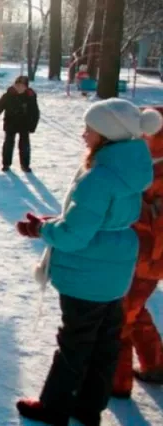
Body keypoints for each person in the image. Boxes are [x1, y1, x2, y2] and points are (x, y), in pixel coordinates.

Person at [15, 99, 160, 426]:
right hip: (115, 268)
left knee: (75, 342)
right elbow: (101, 219)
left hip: (88, 271)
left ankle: (54, 408)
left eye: (90, 129)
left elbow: (73, 236)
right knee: (104, 343)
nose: (83, 134)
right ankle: (88, 406)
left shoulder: (100, 177)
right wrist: (58, 221)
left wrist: (42, 228)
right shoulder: (131, 168)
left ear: (107, 134)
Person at [112, 106, 163, 398]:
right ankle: (156, 363)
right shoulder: (146, 164)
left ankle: (116, 380)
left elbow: (150, 220)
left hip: (146, 257)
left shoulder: (156, 173)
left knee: (120, 317)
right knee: (135, 309)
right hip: (143, 256)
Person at [0, 75, 40, 172]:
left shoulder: (30, 96)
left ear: (26, 87)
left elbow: (35, 112)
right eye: (17, 85)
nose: (19, 88)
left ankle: (25, 165)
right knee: (8, 144)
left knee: (24, 145)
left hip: (25, 124)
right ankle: (6, 163)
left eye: (22, 86)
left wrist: (33, 126)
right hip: (10, 123)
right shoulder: (8, 95)